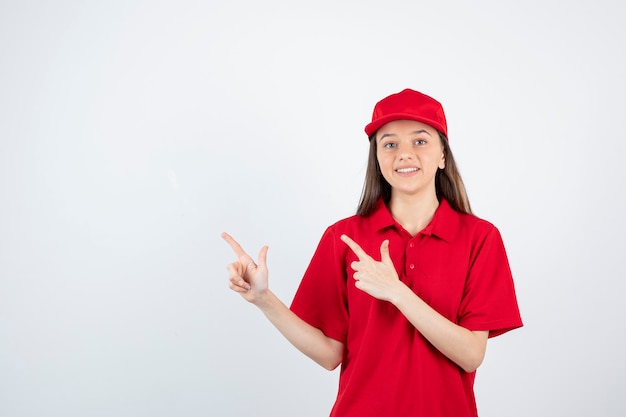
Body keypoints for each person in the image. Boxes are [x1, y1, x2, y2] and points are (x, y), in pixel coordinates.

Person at [222, 88, 523, 417]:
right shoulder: (343, 237)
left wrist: (396, 292)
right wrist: (264, 299)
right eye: (390, 144)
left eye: (420, 141)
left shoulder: (480, 239)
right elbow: (328, 354)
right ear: (377, 159)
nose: (404, 154)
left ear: (442, 156)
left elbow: (471, 354)